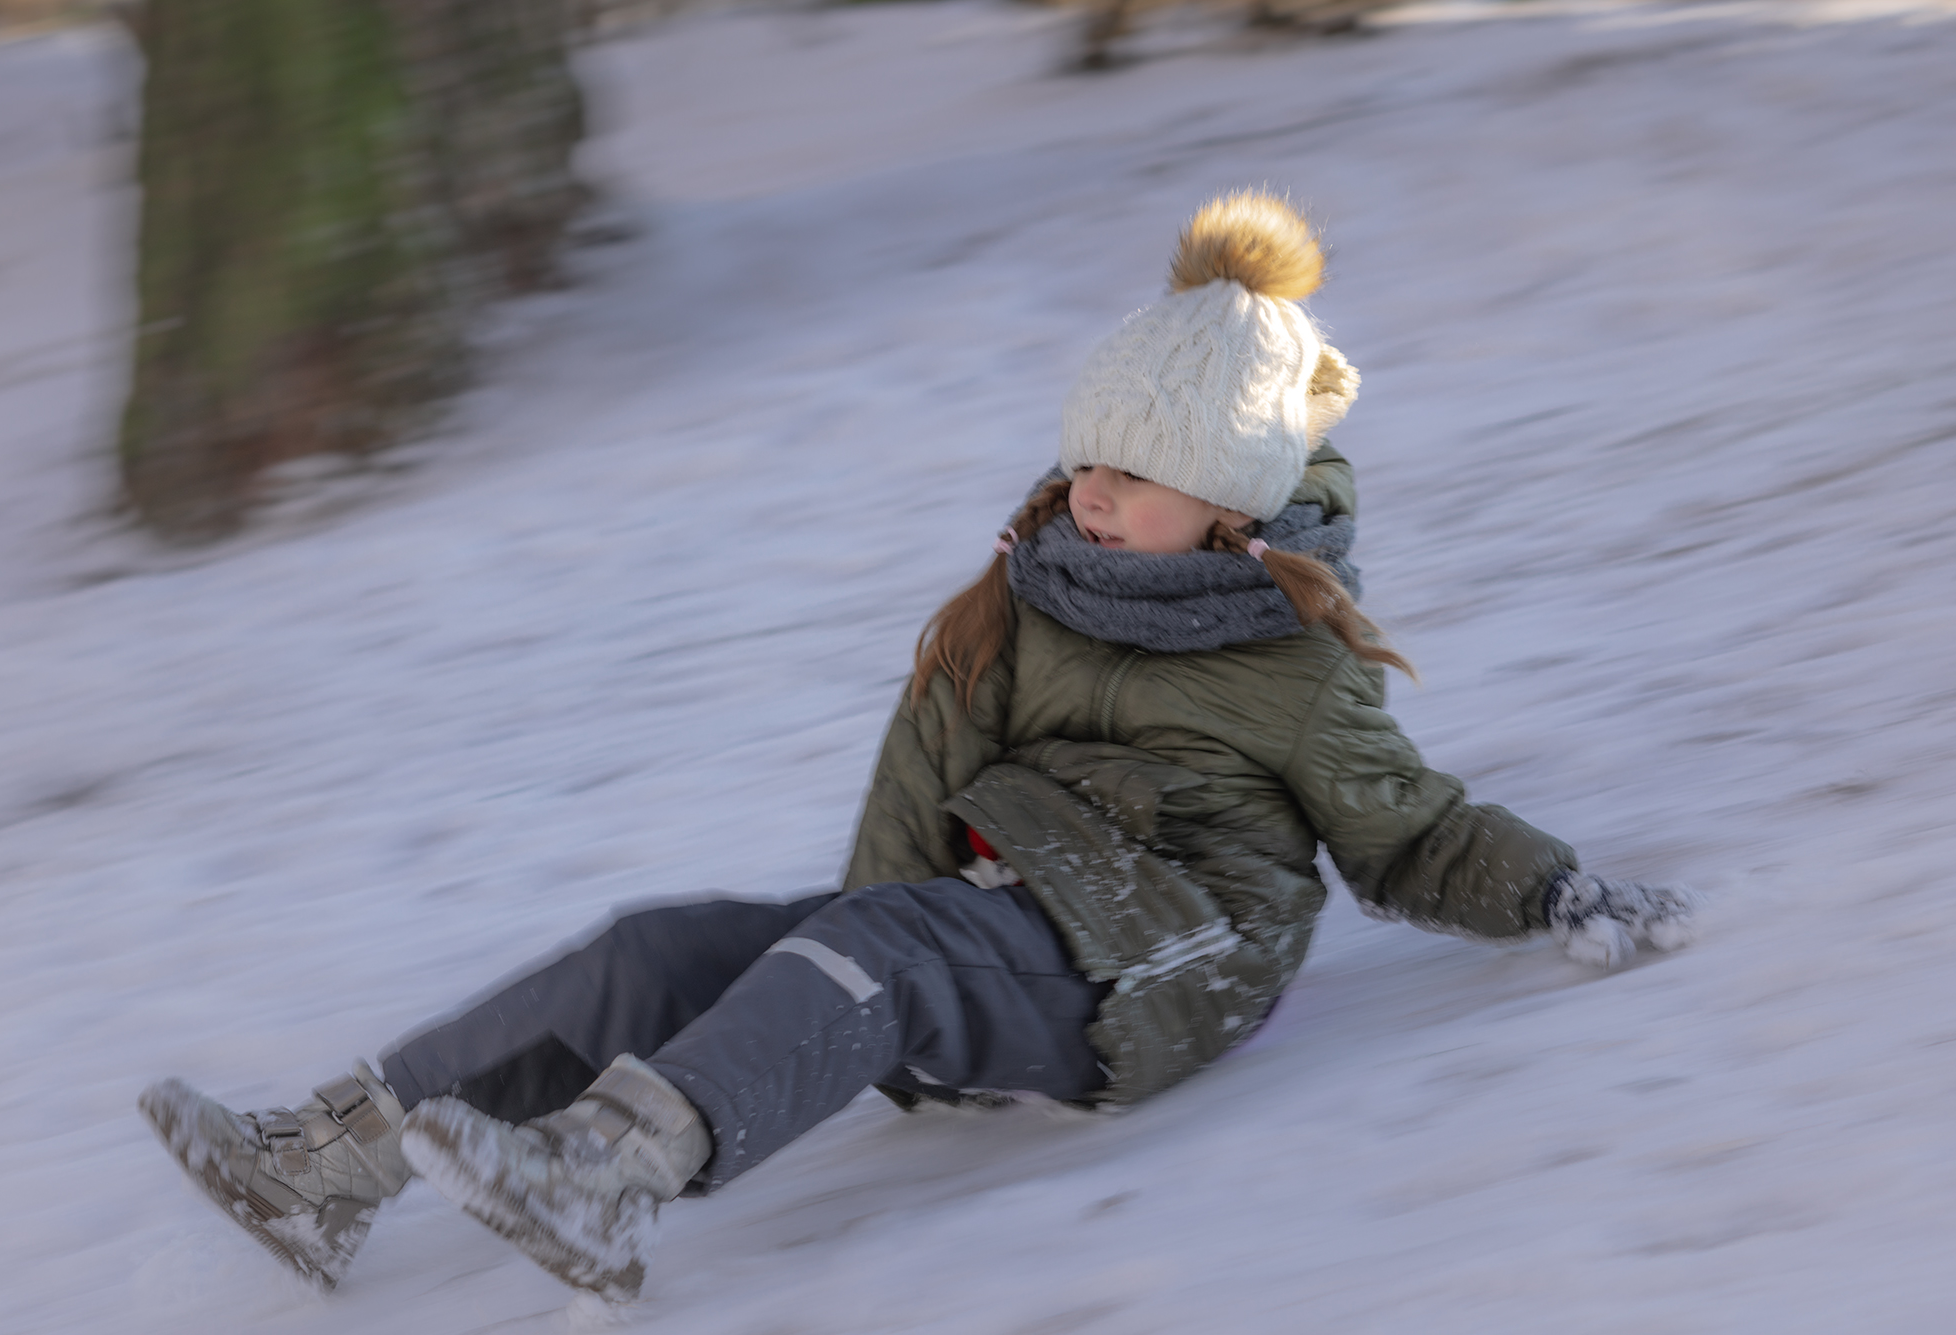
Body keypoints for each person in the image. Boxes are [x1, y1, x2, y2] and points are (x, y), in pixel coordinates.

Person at [140, 191, 1696, 1307]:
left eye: (1137, 475)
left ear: (1231, 507)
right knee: (660, 945)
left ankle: (606, 1181)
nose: (1093, 493)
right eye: (1086, 461)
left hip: (1178, 961)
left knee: (876, 946)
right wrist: (844, 997)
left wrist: (1555, 888)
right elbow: (910, 806)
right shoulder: (1024, 597)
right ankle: (323, 1162)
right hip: (1007, 911)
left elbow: (1408, 831)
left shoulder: (1286, 656)